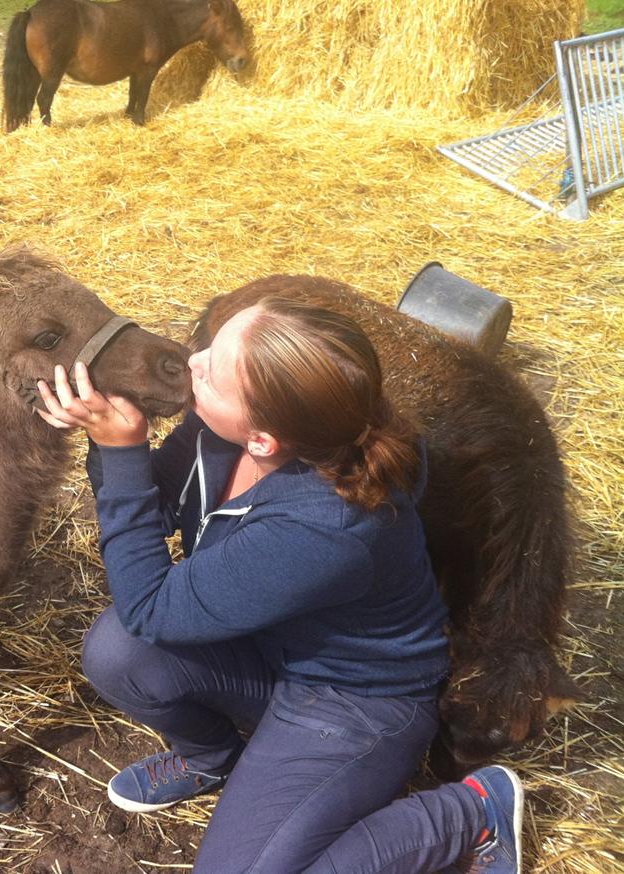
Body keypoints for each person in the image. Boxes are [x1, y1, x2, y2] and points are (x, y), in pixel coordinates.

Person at [36, 296, 525, 873]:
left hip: (354, 699)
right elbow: (157, 504)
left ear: (264, 439)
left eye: (212, 371)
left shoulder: (329, 526)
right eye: (212, 347)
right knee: (119, 651)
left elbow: (151, 606)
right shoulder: (224, 427)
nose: (192, 360)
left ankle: (473, 812)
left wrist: (120, 453)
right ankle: (213, 757)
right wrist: (113, 439)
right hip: (271, 649)